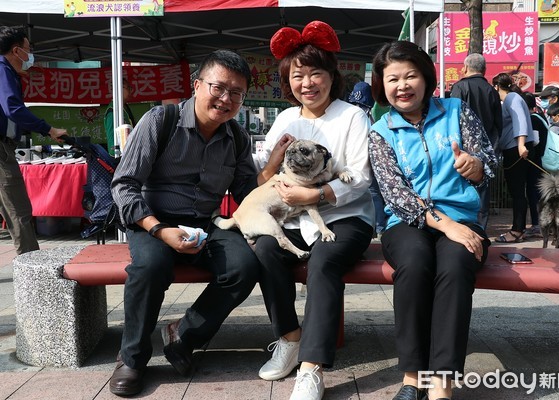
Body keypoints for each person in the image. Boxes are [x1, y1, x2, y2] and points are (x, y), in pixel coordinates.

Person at [108, 49, 262, 396]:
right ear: (197, 85)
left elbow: (247, 192)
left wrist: (279, 180)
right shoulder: (160, 120)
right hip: (153, 220)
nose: (225, 99)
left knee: (244, 265)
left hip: (204, 224)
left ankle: (183, 335)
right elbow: (124, 184)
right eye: (218, 87)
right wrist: (160, 229)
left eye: (236, 93)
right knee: (151, 267)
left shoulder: (237, 137)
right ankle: (131, 358)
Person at [253, 21, 374, 400]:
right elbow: (265, 174)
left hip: (346, 216)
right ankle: (289, 338)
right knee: (264, 249)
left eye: (315, 73)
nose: (307, 83)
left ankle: (311, 368)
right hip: (291, 216)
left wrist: (317, 195)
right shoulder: (286, 120)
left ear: (331, 75)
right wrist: (273, 168)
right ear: (288, 81)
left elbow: (362, 177)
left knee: (323, 261)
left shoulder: (353, 116)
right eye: (297, 75)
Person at [368, 41, 496, 400]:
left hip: (461, 216)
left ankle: (441, 383)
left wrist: (476, 168)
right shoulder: (381, 131)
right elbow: (396, 194)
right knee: (413, 262)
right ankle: (412, 377)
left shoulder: (457, 111)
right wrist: (447, 225)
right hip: (406, 223)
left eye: (411, 76)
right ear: (382, 84)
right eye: (393, 79)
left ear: (426, 78)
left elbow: (489, 163)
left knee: (455, 266)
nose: (402, 85)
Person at [0, 26, 67, 254]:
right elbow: (13, 109)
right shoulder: (2, 70)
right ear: (16, 51)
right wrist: (48, 129)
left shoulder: (8, 72)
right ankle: (33, 270)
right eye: (28, 50)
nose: (31, 55)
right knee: (19, 211)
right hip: (1, 150)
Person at [450, 53, 502, 229]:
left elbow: (452, 119)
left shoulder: (459, 87)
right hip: (485, 147)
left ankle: (462, 225)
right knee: (483, 187)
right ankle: (480, 228)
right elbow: (498, 123)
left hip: (461, 147)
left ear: (464, 68)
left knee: (459, 185)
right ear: (484, 70)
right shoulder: (492, 92)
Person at [492, 72, 536, 243]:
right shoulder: (512, 99)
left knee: (517, 191)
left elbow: (520, 122)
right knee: (517, 191)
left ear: (496, 86)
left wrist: (521, 144)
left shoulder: (512, 98)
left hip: (516, 149)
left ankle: (517, 230)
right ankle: (519, 228)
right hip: (514, 148)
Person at [348, 81, 387, 237]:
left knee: (370, 194)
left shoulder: (352, 114)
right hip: (372, 158)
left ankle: (376, 227)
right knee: (375, 194)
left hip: (360, 159)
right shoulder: (370, 114)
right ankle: (378, 227)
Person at [521, 91, 548, 239]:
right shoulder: (541, 117)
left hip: (536, 162)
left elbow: (534, 142)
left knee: (533, 194)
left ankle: (537, 225)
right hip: (543, 162)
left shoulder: (532, 119)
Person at [104, 79, 135, 156]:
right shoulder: (113, 111)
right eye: (128, 88)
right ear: (119, 89)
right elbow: (112, 143)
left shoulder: (124, 107)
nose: (130, 91)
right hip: (121, 158)